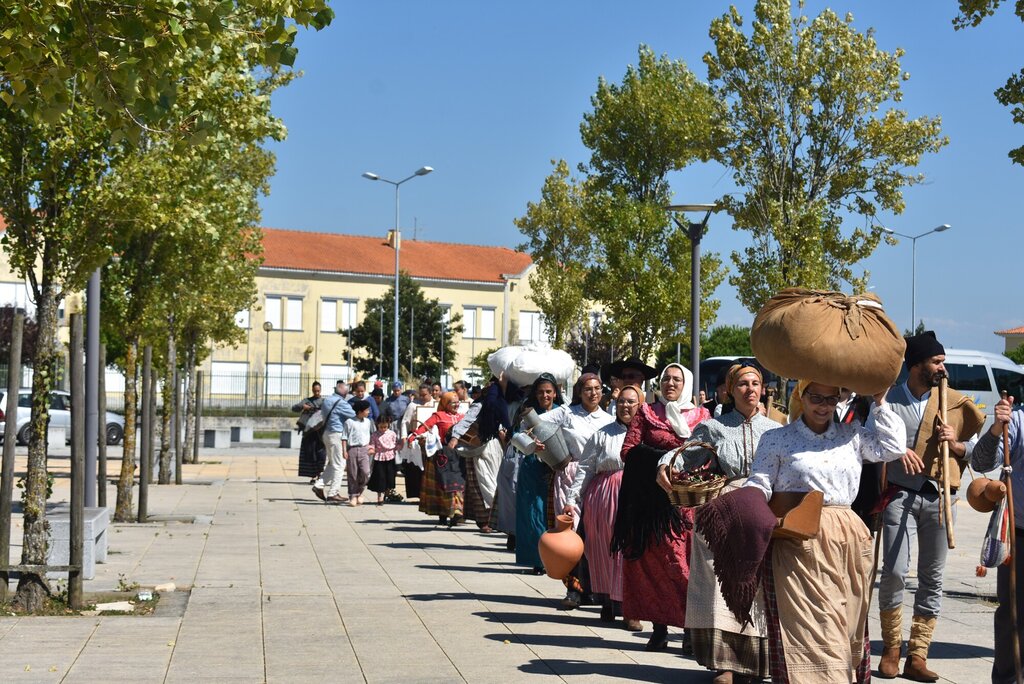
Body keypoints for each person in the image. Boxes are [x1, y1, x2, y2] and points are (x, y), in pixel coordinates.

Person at [744, 379, 921, 684]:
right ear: (801, 396)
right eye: (816, 397)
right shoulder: (777, 438)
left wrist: (879, 402)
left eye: (830, 399)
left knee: (845, 622)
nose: (823, 406)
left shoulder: (852, 434)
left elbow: (893, 447)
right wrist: (747, 505)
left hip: (847, 539)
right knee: (811, 624)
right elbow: (760, 481)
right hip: (799, 539)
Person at [658, 363, 780, 684]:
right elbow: (683, 455)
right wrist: (664, 465)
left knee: (757, 586)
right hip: (723, 509)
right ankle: (725, 663)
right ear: (730, 390)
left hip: (762, 511)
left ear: (763, 389)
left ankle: (755, 663)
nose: (750, 389)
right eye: (742, 384)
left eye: (755, 383)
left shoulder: (775, 430)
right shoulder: (714, 427)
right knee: (720, 585)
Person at [875, 331, 985, 681]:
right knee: (894, 571)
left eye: (942, 361)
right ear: (916, 365)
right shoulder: (888, 399)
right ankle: (891, 647)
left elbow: (978, 449)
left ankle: (918, 654)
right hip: (900, 494)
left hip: (941, 497)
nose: (943, 367)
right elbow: (870, 441)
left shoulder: (953, 400)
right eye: (936, 361)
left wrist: (957, 445)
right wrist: (896, 451)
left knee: (932, 577)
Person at [614, 363, 711, 651]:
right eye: (666, 378)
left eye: (677, 379)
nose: (670, 383)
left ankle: (691, 629)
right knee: (657, 569)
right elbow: (628, 450)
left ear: (686, 384)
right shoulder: (647, 413)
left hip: (688, 505)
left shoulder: (701, 417)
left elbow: (709, 455)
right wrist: (662, 460)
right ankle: (660, 628)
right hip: (653, 508)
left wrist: (687, 467)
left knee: (687, 569)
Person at [564, 384, 643, 630]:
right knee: (605, 550)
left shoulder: (647, 434)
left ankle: (630, 608)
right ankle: (608, 601)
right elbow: (585, 468)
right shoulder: (602, 434)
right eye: (621, 402)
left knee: (632, 551)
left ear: (641, 405)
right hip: (604, 497)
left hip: (635, 497)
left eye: (631, 402)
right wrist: (572, 499)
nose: (625, 406)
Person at [538, 372, 615, 609]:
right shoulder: (567, 413)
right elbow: (531, 424)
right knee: (572, 532)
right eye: (588, 389)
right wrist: (539, 446)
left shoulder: (608, 418)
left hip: (598, 479)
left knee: (595, 534)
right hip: (571, 476)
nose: (593, 393)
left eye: (597, 388)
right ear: (579, 392)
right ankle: (573, 588)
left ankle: (594, 587)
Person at [971, 393, 1024, 684]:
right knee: (1013, 614)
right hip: (1020, 533)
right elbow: (981, 461)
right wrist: (995, 429)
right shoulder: (1017, 421)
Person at [448, 375, 513, 533]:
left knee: (494, 481)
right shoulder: (480, 404)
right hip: (477, 448)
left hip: (495, 448)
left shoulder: (504, 403)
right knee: (481, 483)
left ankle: (495, 519)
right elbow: (467, 420)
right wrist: (455, 438)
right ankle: (484, 520)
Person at [515, 373, 565, 571]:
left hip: (557, 469)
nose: (545, 395)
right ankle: (538, 560)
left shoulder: (563, 412)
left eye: (548, 392)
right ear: (535, 394)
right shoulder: (528, 415)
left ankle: (557, 557)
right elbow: (517, 439)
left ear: (555, 393)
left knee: (555, 512)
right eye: (541, 392)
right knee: (535, 513)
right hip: (533, 469)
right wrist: (530, 443)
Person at [409, 391, 466, 526]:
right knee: (442, 485)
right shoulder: (438, 416)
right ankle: (443, 514)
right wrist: (413, 436)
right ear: (445, 404)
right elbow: (424, 427)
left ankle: (457, 513)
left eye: (458, 402)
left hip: (458, 456)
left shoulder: (463, 417)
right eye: (453, 403)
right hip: (442, 456)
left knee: (458, 485)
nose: (457, 405)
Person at [315, 380, 356, 504]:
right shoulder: (341, 403)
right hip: (337, 434)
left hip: (327, 433)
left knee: (333, 463)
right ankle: (333, 493)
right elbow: (354, 415)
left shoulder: (327, 400)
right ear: (344, 392)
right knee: (340, 464)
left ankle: (319, 485)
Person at [292, 381, 325, 483]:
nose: (317, 393)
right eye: (315, 391)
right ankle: (314, 475)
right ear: (312, 390)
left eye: (318, 391)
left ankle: (320, 473)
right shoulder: (307, 401)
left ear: (321, 390)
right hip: (309, 432)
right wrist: (303, 407)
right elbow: (294, 408)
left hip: (320, 432)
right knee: (311, 453)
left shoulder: (324, 401)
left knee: (321, 454)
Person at [345, 399, 373, 506]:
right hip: (352, 449)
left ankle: (360, 491)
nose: (368, 412)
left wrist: (371, 447)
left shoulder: (368, 422)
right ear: (360, 411)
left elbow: (370, 435)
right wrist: (344, 451)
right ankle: (353, 495)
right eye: (366, 410)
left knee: (366, 472)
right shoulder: (349, 422)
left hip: (364, 449)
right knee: (353, 474)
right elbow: (344, 437)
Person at [368, 414, 399, 505]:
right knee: (380, 477)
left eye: (385, 427)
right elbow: (372, 444)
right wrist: (371, 449)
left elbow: (396, 444)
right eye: (381, 427)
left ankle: (387, 492)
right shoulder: (374, 435)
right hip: (379, 457)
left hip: (390, 456)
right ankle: (380, 497)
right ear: (377, 425)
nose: (383, 429)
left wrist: (399, 447)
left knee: (390, 476)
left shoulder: (392, 434)